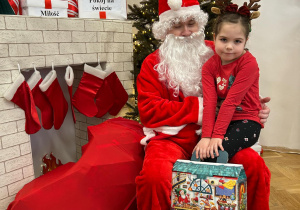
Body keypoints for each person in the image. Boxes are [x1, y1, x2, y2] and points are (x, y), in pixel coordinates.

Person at [135, 0, 271, 209]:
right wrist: (199, 108)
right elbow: (149, 111)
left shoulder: (215, 50)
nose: (186, 32)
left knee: (253, 166)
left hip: (222, 133)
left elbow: (240, 85)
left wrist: (256, 108)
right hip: (172, 139)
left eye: (191, 23)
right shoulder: (152, 63)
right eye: (177, 25)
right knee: (155, 177)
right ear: (165, 29)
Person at [194, 3, 264, 162]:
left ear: (246, 40)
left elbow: (231, 102)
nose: (229, 47)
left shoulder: (248, 64)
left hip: (247, 121)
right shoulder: (209, 67)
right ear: (214, 37)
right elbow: (210, 103)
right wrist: (206, 136)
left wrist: (217, 136)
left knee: (215, 153)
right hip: (222, 121)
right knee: (199, 153)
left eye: (237, 41)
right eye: (224, 39)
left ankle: (221, 186)